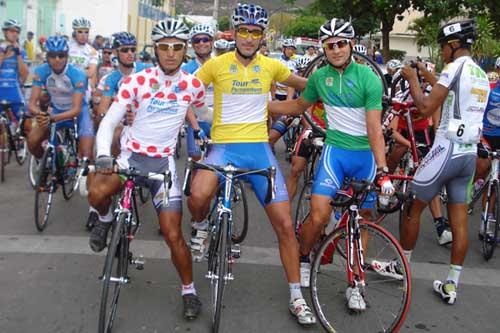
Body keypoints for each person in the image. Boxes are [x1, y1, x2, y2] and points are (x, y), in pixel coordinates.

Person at [187, 3, 316, 325]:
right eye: (243, 31)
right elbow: (183, 91)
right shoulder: (216, 64)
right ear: (234, 33)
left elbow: (306, 87)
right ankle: (201, 227)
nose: (248, 37)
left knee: (285, 227)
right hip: (223, 148)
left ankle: (296, 296)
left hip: (259, 150)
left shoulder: (272, 67)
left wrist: (334, 84)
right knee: (198, 196)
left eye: (254, 32)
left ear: (262, 36)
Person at [269, 18, 393, 310]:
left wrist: (384, 171)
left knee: (362, 218)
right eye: (329, 45)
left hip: (364, 157)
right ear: (323, 48)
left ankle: (356, 283)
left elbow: (375, 129)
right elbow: (299, 107)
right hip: (335, 153)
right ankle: (304, 256)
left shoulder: (369, 78)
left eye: (340, 44)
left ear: (350, 45)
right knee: (319, 215)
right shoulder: (318, 78)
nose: (335, 49)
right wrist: (262, 105)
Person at [88, 18, 205, 319]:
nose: (170, 53)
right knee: (96, 189)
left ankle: (189, 290)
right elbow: (110, 121)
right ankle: (105, 217)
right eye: (164, 47)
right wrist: (103, 155)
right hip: (130, 158)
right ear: (154, 49)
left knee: (172, 234)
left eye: (177, 47)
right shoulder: (135, 81)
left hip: (162, 164)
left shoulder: (193, 85)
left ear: (185, 50)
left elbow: (203, 111)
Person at [399, 19, 490, 305]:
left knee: (412, 206)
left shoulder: (453, 68)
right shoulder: (481, 74)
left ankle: (402, 267)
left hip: (446, 149)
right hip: (468, 155)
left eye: (442, 46)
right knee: (459, 220)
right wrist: (427, 74)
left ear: (453, 45)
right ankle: (452, 283)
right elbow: (451, 90)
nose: (440, 52)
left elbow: (426, 106)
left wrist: (413, 79)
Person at [27, 36, 94, 166]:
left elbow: (76, 109)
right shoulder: (41, 71)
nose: (57, 59)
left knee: (87, 154)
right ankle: (45, 163)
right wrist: (41, 114)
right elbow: (32, 103)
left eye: (61, 55)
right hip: (56, 109)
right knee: (32, 141)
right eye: (52, 55)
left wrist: (52, 118)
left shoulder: (78, 74)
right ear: (47, 56)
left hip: (79, 112)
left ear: (67, 56)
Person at [0, 19, 29, 125]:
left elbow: (25, 74)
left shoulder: (21, 51)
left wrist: (18, 55)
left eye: (17, 31)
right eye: (12, 31)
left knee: (26, 125)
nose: (15, 34)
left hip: (14, 92)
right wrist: (3, 53)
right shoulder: (1, 48)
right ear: (5, 32)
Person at [68, 17, 98, 96]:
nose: (83, 35)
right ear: (74, 32)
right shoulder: (66, 47)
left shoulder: (92, 51)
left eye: (86, 32)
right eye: (80, 32)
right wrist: (83, 71)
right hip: (65, 88)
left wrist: (68, 71)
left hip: (82, 89)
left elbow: (90, 73)